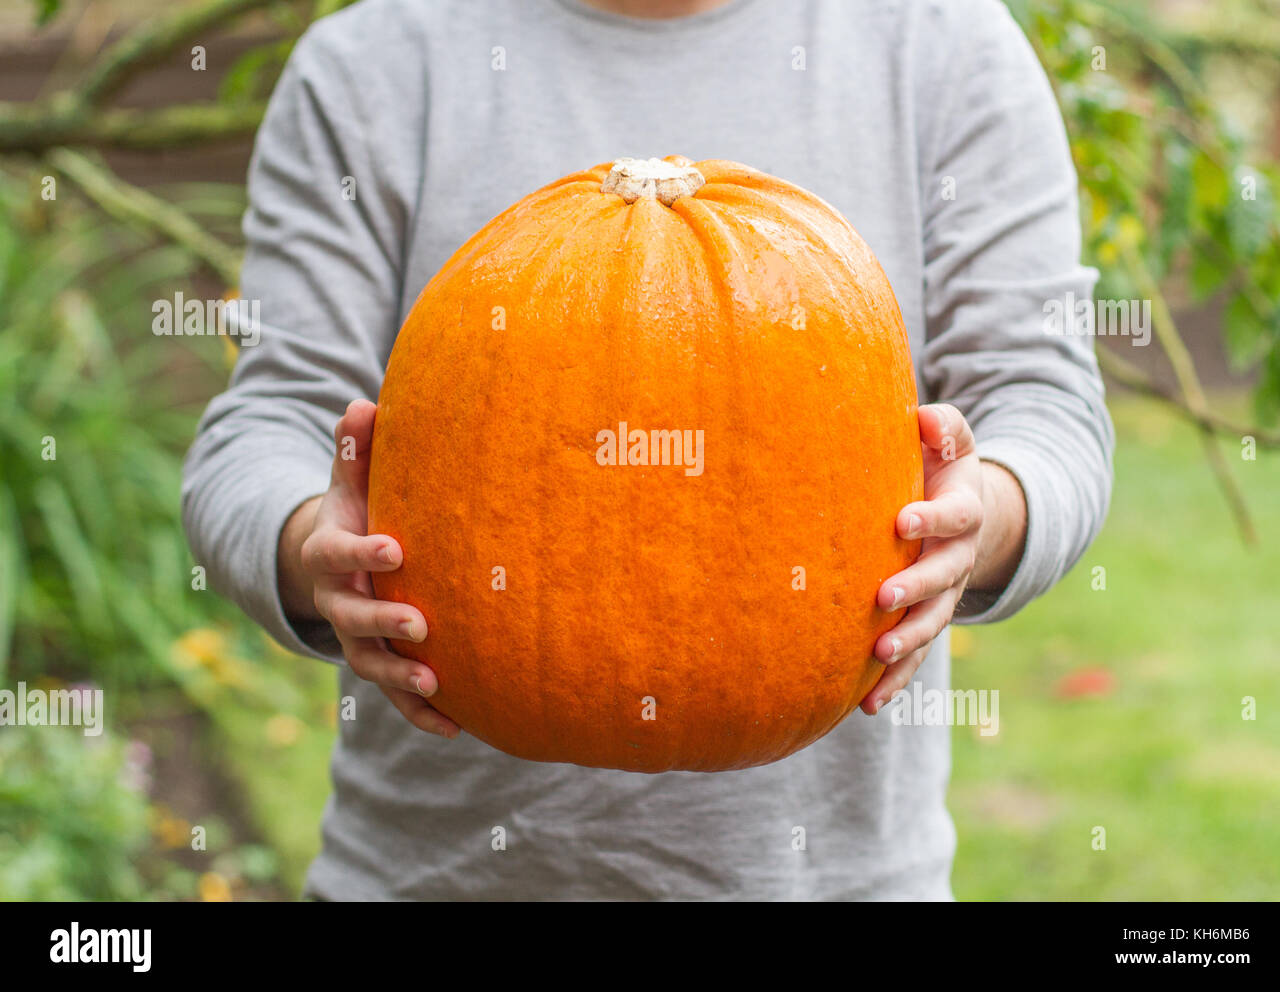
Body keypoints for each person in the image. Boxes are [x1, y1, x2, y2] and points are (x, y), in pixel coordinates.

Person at [183, 0, 1114, 900]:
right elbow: (266, 426)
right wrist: (315, 547)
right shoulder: (372, 63)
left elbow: (1045, 405)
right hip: (435, 878)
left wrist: (977, 520)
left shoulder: (946, 42)